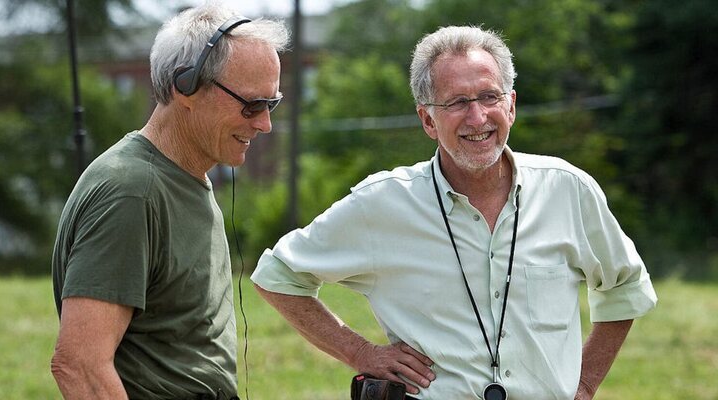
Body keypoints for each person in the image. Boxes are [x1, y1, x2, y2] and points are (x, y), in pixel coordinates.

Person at [251, 25, 657, 400]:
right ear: (427, 119)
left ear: (511, 105)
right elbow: (278, 277)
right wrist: (361, 352)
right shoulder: (383, 204)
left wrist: (584, 385)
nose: (478, 117)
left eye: (488, 97)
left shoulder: (568, 190)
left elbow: (624, 286)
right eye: (458, 102)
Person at [50, 4, 288, 399]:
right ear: (186, 88)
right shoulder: (130, 191)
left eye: (271, 104)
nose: (265, 124)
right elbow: (80, 366)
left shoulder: (185, 177)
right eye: (252, 105)